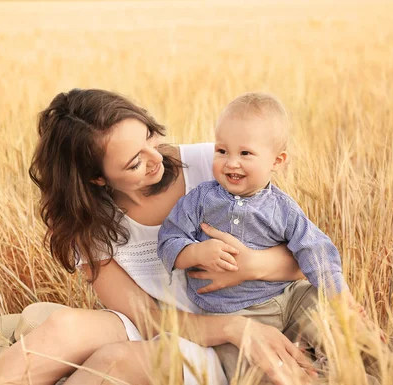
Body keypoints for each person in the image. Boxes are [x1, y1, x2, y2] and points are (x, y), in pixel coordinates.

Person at [0, 88, 316, 385]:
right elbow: (146, 318)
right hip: (165, 325)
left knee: (114, 361)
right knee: (63, 328)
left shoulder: (214, 164)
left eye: (150, 136)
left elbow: (305, 259)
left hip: (227, 333)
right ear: (97, 179)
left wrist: (252, 266)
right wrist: (231, 328)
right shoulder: (90, 223)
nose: (157, 158)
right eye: (134, 162)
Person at [157, 92, 369, 382]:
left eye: (245, 154)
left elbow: (315, 250)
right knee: (253, 373)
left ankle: (357, 367)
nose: (231, 163)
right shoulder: (201, 200)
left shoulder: (282, 208)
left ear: (277, 161)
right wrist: (194, 253)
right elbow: (168, 239)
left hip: (288, 298)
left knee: (332, 321)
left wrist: (341, 299)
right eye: (222, 151)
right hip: (233, 315)